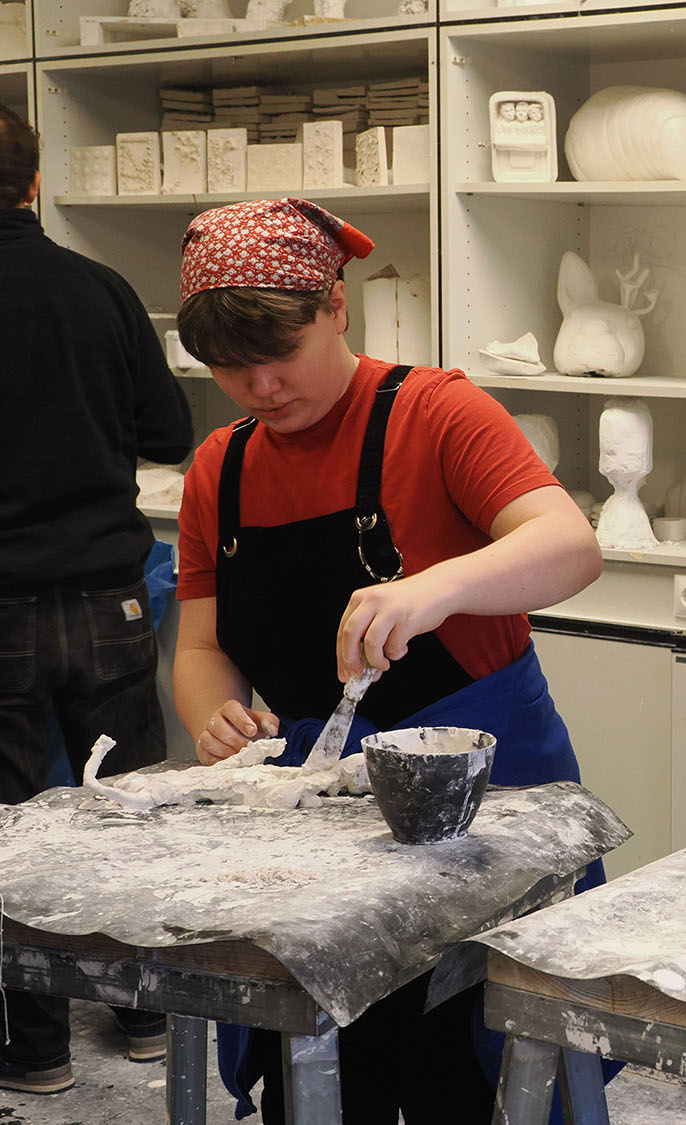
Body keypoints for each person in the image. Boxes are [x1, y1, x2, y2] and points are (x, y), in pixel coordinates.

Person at [170, 197, 604, 1123]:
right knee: (327, 1076)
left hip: (484, 817)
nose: (260, 386)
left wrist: (436, 587)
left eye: (279, 353)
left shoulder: (437, 412)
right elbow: (203, 646)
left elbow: (571, 545)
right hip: (320, 832)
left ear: (337, 306)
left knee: (479, 1079)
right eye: (230, 367)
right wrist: (216, 718)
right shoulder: (220, 468)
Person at [0, 104, 193, 1093]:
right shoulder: (101, 289)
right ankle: (150, 1015)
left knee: (11, 827)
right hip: (110, 596)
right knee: (124, 811)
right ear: (35, 184)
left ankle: (36, 1049)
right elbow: (171, 434)